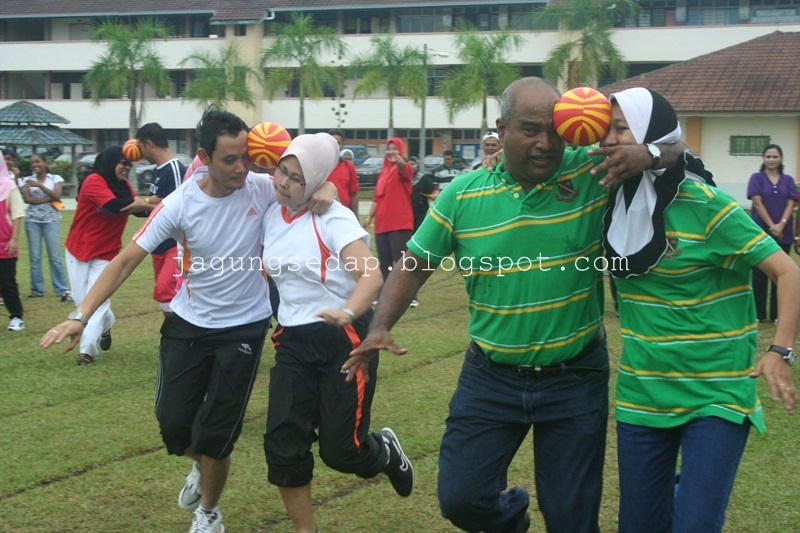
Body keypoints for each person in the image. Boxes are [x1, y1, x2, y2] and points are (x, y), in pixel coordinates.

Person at [346, 77, 687, 532]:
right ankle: (513, 518)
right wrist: (380, 325)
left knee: (571, 517)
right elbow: (414, 262)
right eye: (529, 129)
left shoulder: (590, 171)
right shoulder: (462, 195)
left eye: (554, 130)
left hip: (575, 378)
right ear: (501, 129)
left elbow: (678, 148)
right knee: (461, 499)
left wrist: (647, 154)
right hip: (490, 379)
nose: (545, 143)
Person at [40, 107, 335, 533]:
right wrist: (81, 315)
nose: (241, 169)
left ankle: (209, 513)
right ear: (204, 156)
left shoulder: (261, 188)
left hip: (245, 327)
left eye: (246, 158)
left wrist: (324, 185)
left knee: (216, 433)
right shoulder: (180, 204)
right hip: (187, 323)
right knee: (174, 424)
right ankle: (202, 463)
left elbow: (309, 171)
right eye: (229, 160)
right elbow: (125, 261)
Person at [601, 87, 800, 533]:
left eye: (621, 128)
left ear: (651, 135)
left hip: (716, 396)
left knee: (695, 526)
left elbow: (790, 275)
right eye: (605, 131)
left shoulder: (707, 205)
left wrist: (779, 352)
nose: (609, 140)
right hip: (642, 396)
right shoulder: (608, 202)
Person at [262, 133, 413, 532]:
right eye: (282, 170)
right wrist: (318, 180)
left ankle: (385, 452)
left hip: (343, 340)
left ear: (313, 182)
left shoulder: (334, 217)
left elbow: (371, 274)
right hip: (292, 340)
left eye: (297, 178)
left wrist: (348, 311)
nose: (283, 183)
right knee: (283, 443)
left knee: (342, 451)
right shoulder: (268, 203)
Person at [63, 146, 149, 364]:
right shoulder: (94, 180)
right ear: (111, 163)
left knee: (98, 301)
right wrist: (140, 202)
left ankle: (87, 351)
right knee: (82, 300)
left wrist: (155, 203)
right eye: (123, 163)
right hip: (78, 249)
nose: (127, 168)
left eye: (130, 164)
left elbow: (139, 210)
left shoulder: (123, 185)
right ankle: (107, 325)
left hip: (106, 253)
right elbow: (112, 205)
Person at [131, 122, 187, 315]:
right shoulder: (158, 170)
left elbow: (179, 210)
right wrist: (145, 204)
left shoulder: (174, 169)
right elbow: (158, 203)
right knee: (166, 295)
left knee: (166, 291)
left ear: (149, 144)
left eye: (140, 147)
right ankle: (175, 338)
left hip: (173, 244)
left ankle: (178, 337)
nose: (139, 153)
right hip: (158, 245)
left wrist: (145, 204)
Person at [746, 144, 797, 322]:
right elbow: (757, 203)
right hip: (760, 233)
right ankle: (759, 315)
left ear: (780, 159)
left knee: (781, 274)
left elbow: (791, 203)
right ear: (763, 158)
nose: (772, 160)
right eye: (768, 156)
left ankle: (777, 315)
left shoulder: (788, 180)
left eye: (775, 156)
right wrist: (771, 226)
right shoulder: (757, 178)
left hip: (784, 234)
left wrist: (781, 225)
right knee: (759, 275)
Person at [362, 138, 414, 284]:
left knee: (401, 262)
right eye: (389, 149)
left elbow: (403, 169)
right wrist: (368, 218)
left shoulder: (406, 167)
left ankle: (409, 296)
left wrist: (399, 162)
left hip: (399, 223)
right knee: (384, 264)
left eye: (395, 149)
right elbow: (377, 199)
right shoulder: (383, 173)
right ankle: (384, 296)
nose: (391, 152)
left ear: (401, 151)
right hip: (382, 225)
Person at [20, 154, 71, 301]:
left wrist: (39, 186)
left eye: (38, 161)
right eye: (32, 163)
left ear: (45, 163)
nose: (35, 164)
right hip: (32, 221)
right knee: (35, 257)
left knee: (55, 257)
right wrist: (48, 199)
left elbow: (57, 194)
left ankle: (61, 288)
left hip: (51, 221)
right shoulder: (26, 180)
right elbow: (28, 199)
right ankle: (37, 289)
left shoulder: (55, 178)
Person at [1, 153, 25, 331]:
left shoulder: (9, 186)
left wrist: (14, 239)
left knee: (7, 281)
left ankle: (16, 317)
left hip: (5, 243)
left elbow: (17, 214)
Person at [326, 130, 360, 216]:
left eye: (338, 143)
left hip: (344, 214)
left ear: (343, 146)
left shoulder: (349, 167)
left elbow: (353, 195)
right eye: (332, 142)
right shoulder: (319, 166)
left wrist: (355, 217)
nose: (335, 145)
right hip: (323, 214)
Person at [408, 156, 435, 232]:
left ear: (417, 165)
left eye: (413, 164)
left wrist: (433, 196)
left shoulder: (424, 179)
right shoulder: (404, 179)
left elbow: (434, 191)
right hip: (408, 214)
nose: (411, 166)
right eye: (409, 164)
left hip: (421, 214)